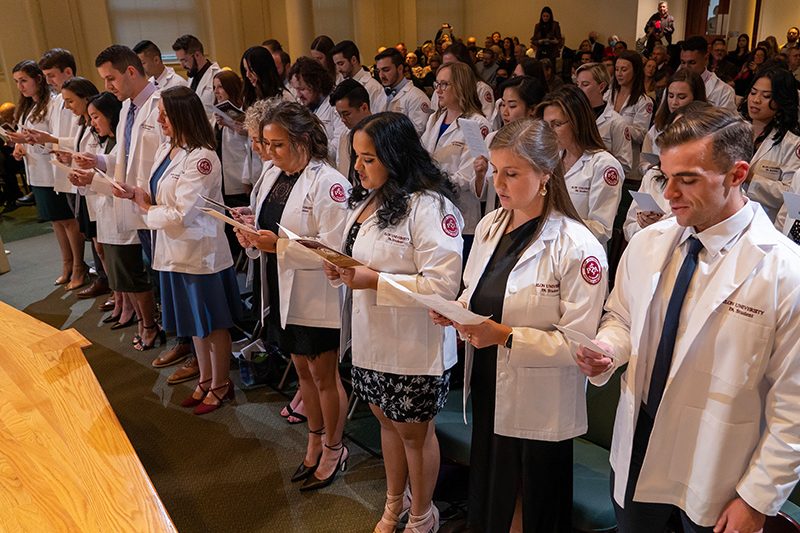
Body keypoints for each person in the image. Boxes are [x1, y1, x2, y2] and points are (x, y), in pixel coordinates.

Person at [576, 105, 800, 533]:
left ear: (738, 175)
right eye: (664, 177)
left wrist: (757, 498)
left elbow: (795, 406)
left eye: (688, 179)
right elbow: (620, 315)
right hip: (640, 444)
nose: (669, 193)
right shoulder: (648, 243)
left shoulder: (785, 271)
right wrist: (608, 349)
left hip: (718, 464)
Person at [435, 116, 607, 533]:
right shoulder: (494, 225)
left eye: (512, 173)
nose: (499, 184)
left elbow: (578, 345)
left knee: (533, 500)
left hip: (543, 400)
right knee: (494, 490)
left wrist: (506, 336)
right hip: (492, 383)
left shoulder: (578, 246)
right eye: (496, 171)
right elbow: (473, 292)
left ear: (546, 174)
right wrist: (455, 312)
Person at [323, 112, 463, 533]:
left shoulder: (431, 205)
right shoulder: (370, 199)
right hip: (372, 337)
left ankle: (423, 514)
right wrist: (342, 269)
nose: (358, 168)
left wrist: (374, 280)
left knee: (415, 434)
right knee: (386, 422)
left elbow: (442, 283)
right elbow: (361, 257)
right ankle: (394, 502)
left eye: (368, 159)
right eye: (357, 158)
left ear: (395, 157)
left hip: (413, 343)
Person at [235, 99, 350, 489]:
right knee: (302, 372)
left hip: (318, 296)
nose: (269, 152)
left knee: (323, 375)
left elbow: (334, 251)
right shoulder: (272, 174)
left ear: (303, 140)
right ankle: (314, 437)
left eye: (278, 144)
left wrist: (277, 245)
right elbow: (269, 224)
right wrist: (250, 230)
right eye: (266, 144)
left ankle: (335, 447)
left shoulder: (330, 183)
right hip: (284, 289)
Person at [115, 86, 240, 414]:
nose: (159, 119)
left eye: (165, 115)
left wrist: (145, 210)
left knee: (212, 324)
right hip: (174, 251)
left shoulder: (202, 158)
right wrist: (135, 193)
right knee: (193, 323)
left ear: (184, 116)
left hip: (200, 254)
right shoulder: (170, 149)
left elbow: (184, 212)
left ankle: (221, 384)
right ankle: (204, 379)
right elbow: (159, 195)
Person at [85, 44, 162, 352]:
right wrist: (98, 163)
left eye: (110, 78)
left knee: (161, 275)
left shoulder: (160, 104)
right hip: (136, 204)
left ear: (131, 71)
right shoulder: (129, 108)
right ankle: (167, 329)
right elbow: (125, 156)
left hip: (155, 204)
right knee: (152, 273)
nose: (107, 86)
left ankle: (183, 340)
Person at [9, 58, 86, 291]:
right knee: (56, 221)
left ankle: (78, 266)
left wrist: (32, 142)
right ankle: (67, 264)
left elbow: (53, 137)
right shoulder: (27, 107)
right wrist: (19, 147)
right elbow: (30, 136)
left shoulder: (53, 103)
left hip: (52, 170)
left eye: (24, 80)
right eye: (17, 82)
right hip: (36, 172)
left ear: (37, 79)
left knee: (67, 220)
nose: (20, 86)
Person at [67, 92, 139, 333]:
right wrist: (85, 179)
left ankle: (138, 315)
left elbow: (119, 180)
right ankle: (122, 302)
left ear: (110, 115)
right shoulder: (108, 140)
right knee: (109, 258)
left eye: (96, 117)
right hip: (104, 210)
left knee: (128, 269)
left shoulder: (119, 141)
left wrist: (90, 177)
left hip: (123, 214)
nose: (92, 123)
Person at [536, 85, 624, 246]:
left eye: (556, 124)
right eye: (546, 126)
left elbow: (601, 229)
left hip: (581, 255)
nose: (550, 132)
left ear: (577, 122)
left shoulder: (604, 165)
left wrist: (554, 223)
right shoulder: (551, 159)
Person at [420, 62, 491, 255]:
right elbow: (423, 155)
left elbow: (468, 176)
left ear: (460, 86)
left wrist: (429, 179)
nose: (438, 91)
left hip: (460, 212)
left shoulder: (477, 123)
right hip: (431, 206)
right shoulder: (436, 118)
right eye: (437, 85)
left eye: (444, 84)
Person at [624, 101, 711, 241]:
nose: (669, 193)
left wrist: (660, 225)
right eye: (673, 131)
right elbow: (629, 229)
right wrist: (643, 225)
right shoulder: (654, 174)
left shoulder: (715, 187)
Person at [58, 77, 111, 301]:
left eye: (70, 101)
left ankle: (115, 291)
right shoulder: (83, 122)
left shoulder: (98, 124)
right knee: (98, 247)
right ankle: (115, 291)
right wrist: (71, 157)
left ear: (85, 97)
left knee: (106, 248)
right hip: (87, 191)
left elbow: (102, 156)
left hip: (100, 192)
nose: (67, 107)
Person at [474, 75, 547, 215]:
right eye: (503, 104)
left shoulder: (540, 144)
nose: (505, 112)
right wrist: (480, 175)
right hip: (496, 216)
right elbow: (484, 194)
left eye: (512, 106)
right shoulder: (492, 138)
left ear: (532, 109)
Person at [740, 67, 800, 223]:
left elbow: (791, 196)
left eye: (766, 96)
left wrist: (750, 178)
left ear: (782, 100)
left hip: (767, 224)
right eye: (753, 93)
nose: (756, 100)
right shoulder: (734, 130)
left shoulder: (792, 144)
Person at [212, 69, 252, 256]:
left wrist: (230, 125)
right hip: (223, 180)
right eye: (214, 87)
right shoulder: (217, 114)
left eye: (220, 87)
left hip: (239, 179)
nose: (216, 91)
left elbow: (249, 147)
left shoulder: (243, 114)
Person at [576, 63, 634, 180]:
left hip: (601, 182)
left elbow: (625, 164)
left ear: (601, 87)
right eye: (578, 85)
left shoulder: (616, 122)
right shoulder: (572, 117)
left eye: (585, 84)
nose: (579, 90)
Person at [288, 57, 346, 165]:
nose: (298, 95)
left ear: (317, 83)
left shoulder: (335, 107)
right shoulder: (303, 105)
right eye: (296, 89)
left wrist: (309, 142)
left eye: (302, 89)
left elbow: (338, 150)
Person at [642, 69, 707, 165]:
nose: (674, 102)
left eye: (681, 97)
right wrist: (653, 170)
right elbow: (644, 160)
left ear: (696, 98)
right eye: (671, 96)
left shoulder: (707, 131)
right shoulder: (658, 126)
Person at [373, 48, 432, 135]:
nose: (381, 75)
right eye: (379, 71)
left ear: (400, 68)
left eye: (386, 70)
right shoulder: (381, 95)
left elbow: (417, 133)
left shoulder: (417, 97)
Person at [436, 43, 495, 119]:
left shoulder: (481, 88)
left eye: (452, 65)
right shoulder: (439, 88)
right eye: (445, 65)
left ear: (464, 64)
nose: (448, 69)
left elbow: (488, 120)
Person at [328, 79, 371, 178]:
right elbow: (342, 170)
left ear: (364, 108)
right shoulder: (344, 135)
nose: (342, 120)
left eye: (346, 114)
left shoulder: (380, 135)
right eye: (339, 115)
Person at [680, 35, 736, 110]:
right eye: (683, 62)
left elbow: (729, 121)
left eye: (692, 62)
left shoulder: (724, 91)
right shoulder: (673, 85)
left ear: (706, 59)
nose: (686, 67)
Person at [330, 40, 386, 111]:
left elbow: (377, 118)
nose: (338, 69)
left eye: (341, 64)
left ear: (353, 60)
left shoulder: (373, 88)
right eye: (336, 65)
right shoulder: (341, 85)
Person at [172, 34, 221, 113]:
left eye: (184, 60)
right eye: (180, 60)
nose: (182, 65)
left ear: (197, 55)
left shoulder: (218, 76)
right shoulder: (192, 76)